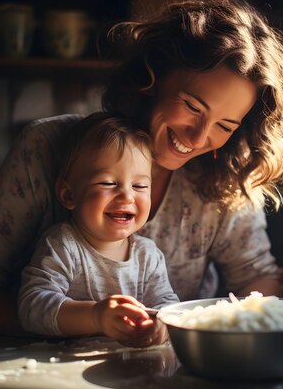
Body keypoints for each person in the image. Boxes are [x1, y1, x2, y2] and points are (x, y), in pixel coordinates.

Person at [0, 0, 283, 336]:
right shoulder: (48, 146)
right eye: (193, 106)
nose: (198, 137)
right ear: (152, 77)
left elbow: (256, 281)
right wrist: (87, 322)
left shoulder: (226, 177)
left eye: (224, 126)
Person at [17, 112, 178, 347]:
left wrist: (163, 326)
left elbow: (169, 305)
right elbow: (32, 306)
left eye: (139, 185)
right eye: (108, 183)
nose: (126, 196)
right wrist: (95, 317)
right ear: (69, 194)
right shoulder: (63, 245)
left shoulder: (148, 255)